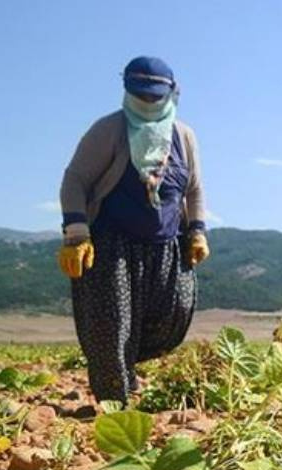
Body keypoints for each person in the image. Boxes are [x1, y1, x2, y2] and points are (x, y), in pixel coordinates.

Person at [58, 56, 208, 404]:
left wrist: (197, 230)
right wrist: (77, 233)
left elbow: (195, 188)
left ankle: (126, 368)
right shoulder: (109, 130)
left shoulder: (183, 136)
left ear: (172, 93)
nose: (149, 102)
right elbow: (75, 180)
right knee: (111, 326)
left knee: (174, 313)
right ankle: (115, 401)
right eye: (141, 95)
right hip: (113, 245)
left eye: (156, 96)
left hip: (166, 244)